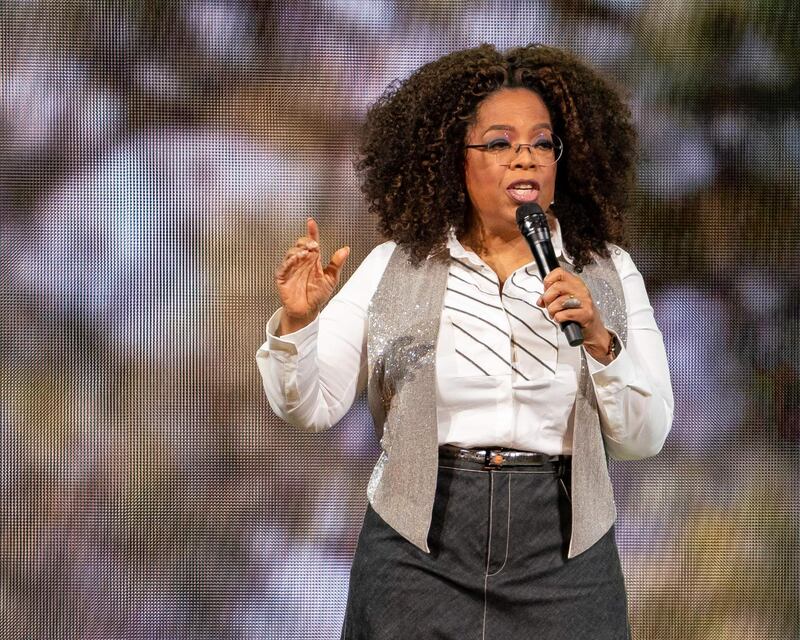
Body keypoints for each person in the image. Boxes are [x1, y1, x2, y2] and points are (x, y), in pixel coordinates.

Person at [257, 44, 673, 640]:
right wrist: (299, 322)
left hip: (563, 552)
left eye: (541, 142)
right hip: (417, 546)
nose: (524, 158)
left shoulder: (607, 271)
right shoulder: (394, 268)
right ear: (455, 157)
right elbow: (308, 408)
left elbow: (645, 436)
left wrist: (604, 343)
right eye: (500, 143)